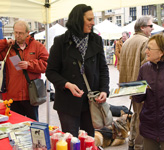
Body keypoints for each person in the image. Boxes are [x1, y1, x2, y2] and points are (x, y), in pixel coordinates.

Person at [45, 4, 109, 137]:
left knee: (89, 139)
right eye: (89, 19)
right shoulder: (60, 42)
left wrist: (104, 90)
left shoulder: (96, 40)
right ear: (78, 19)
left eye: (93, 19)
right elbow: (50, 72)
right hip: (68, 103)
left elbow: (103, 68)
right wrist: (67, 84)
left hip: (91, 102)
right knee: (71, 140)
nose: (93, 23)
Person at [0, 20, 49, 121]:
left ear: (27, 32)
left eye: (21, 33)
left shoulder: (37, 46)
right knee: (15, 125)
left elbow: (47, 65)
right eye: (16, 32)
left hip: (31, 96)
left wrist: (29, 65)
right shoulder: (9, 48)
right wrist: (4, 42)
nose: (18, 35)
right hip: (13, 97)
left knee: (34, 126)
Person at [119, 16, 154, 150]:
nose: (152, 28)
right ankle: (138, 145)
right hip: (140, 86)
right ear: (142, 27)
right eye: (150, 26)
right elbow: (148, 66)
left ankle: (132, 142)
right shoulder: (146, 41)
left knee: (137, 115)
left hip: (129, 86)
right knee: (142, 117)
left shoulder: (127, 41)